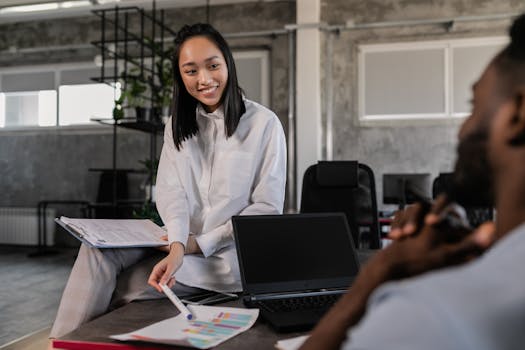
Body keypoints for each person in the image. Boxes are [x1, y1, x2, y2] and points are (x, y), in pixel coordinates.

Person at [49, 23, 286, 342]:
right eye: (191, 71)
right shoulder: (177, 125)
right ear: (180, 76)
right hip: (177, 239)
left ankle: (75, 344)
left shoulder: (264, 124)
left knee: (125, 286)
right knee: (95, 252)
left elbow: (267, 208)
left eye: (213, 66)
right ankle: (60, 344)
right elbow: (172, 193)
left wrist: (196, 244)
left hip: (227, 258)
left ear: (227, 63)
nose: (204, 79)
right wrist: (177, 244)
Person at [301, 13, 525, 350]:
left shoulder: (429, 315)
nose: (462, 129)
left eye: (473, 105)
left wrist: (378, 275)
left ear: (519, 113)